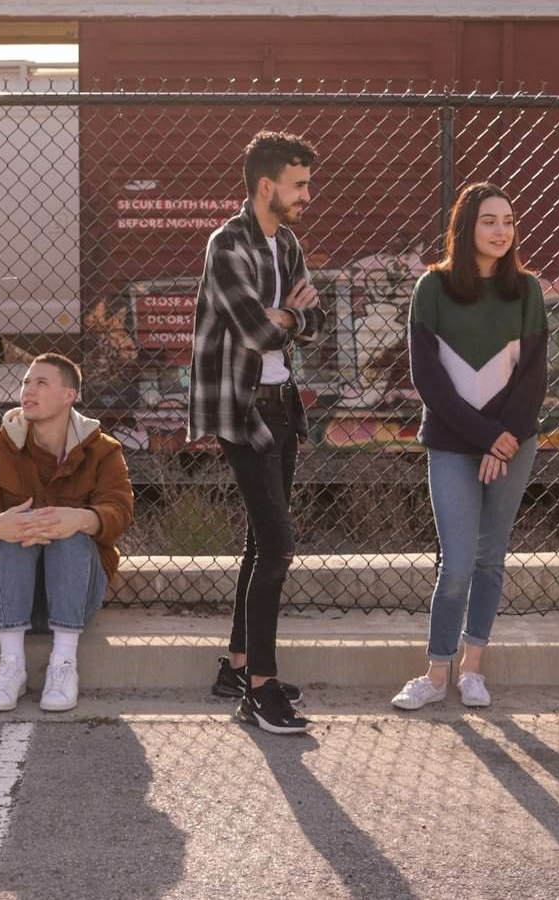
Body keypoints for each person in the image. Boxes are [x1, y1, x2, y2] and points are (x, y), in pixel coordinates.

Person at [390, 183, 547, 712]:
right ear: (466, 228)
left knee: (489, 559)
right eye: (489, 221)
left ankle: (472, 670)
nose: (501, 230)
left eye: (508, 220)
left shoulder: (527, 290)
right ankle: (436, 673)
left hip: (513, 443)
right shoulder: (431, 289)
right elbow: (428, 380)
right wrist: (486, 438)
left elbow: (533, 379)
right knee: (456, 563)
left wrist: (503, 443)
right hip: (455, 445)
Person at [188, 130, 325, 735]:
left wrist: (289, 316)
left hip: (282, 404)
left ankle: (238, 666)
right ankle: (260, 693)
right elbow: (256, 332)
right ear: (266, 185)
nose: (306, 196)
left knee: (259, 543)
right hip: (241, 408)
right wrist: (290, 314)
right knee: (278, 544)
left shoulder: (286, 242)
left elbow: (315, 322)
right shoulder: (228, 245)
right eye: (298, 185)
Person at [0, 353, 135, 713]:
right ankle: (12, 667)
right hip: (7, 599)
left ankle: (63, 664)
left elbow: (120, 509)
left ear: (69, 395)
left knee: (69, 532)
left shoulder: (103, 450)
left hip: (75, 601)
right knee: (15, 531)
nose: (28, 391)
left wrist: (82, 519)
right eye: (25, 383)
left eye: (41, 383)